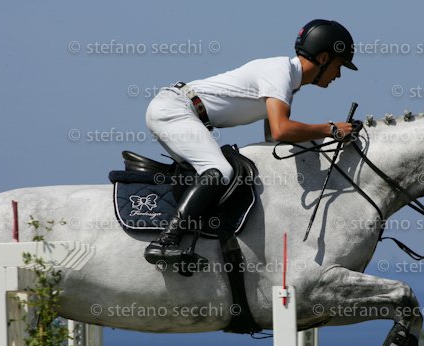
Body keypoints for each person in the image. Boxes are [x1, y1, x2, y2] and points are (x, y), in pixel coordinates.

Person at [144, 19, 359, 266]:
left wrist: (329, 138)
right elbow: (281, 130)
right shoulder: (281, 73)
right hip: (175, 110)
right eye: (339, 65)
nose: (338, 75)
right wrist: (331, 130)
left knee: (216, 173)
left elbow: (273, 139)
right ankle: (164, 242)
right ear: (323, 58)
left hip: (177, 110)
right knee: (219, 171)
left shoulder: (286, 79)